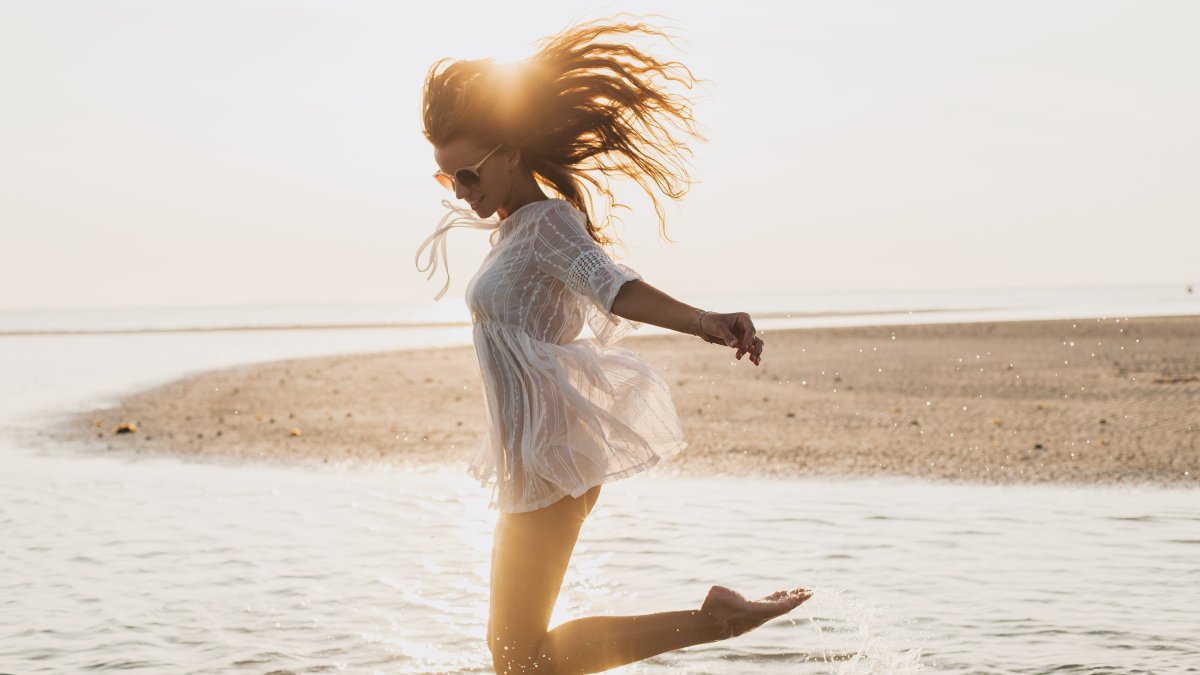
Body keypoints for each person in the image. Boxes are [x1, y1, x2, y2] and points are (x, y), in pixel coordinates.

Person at [415, 16, 811, 674]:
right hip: (530, 457)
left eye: (467, 173)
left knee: (516, 657)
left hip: (552, 457)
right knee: (513, 654)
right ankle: (715, 619)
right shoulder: (514, 229)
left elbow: (614, 288)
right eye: (448, 181)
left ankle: (717, 620)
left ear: (509, 152)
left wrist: (707, 321)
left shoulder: (547, 224)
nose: (462, 191)